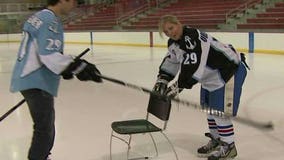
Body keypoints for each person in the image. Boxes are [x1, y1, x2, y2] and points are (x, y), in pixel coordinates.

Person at [10, 0, 102, 160]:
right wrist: (76, 67)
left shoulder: (37, 17)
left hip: (27, 78)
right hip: (36, 80)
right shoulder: (50, 21)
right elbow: (49, 55)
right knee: (44, 129)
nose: (75, 5)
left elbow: (40, 52)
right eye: (73, 1)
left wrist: (67, 66)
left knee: (44, 127)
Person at [153, 15, 248, 160]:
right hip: (210, 78)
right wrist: (163, 79)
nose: (170, 33)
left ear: (178, 23)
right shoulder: (174, 43)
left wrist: (178, 87)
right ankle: (217, 140)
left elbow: (193, 67)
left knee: (219, 113)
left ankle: (229, 146)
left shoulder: (192, 37)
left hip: (228, 72)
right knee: (209, 111)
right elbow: (171, 61)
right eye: (166, 32)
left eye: (171, 28)